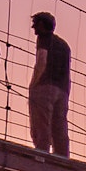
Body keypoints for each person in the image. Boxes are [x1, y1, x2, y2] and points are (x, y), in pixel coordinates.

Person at [27, 11, 71, 156]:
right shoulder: (64, 45)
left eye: (35, 24)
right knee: (59, 126)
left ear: (41, 25)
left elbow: (42, 60)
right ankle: (62, 158)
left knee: (41, 123)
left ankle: (41, 155)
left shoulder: (44, 38)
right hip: (62, 90)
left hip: (44, 86)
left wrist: (34, 83)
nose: (33, 28)